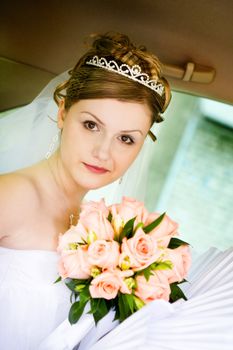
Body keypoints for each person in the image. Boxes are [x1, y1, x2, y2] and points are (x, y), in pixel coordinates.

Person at [1, 32, 233, 350]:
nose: (103, 152)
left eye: (126, 138)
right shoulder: (11, 197)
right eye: (91, 125)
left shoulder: (103, 231)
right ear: (63, 113)